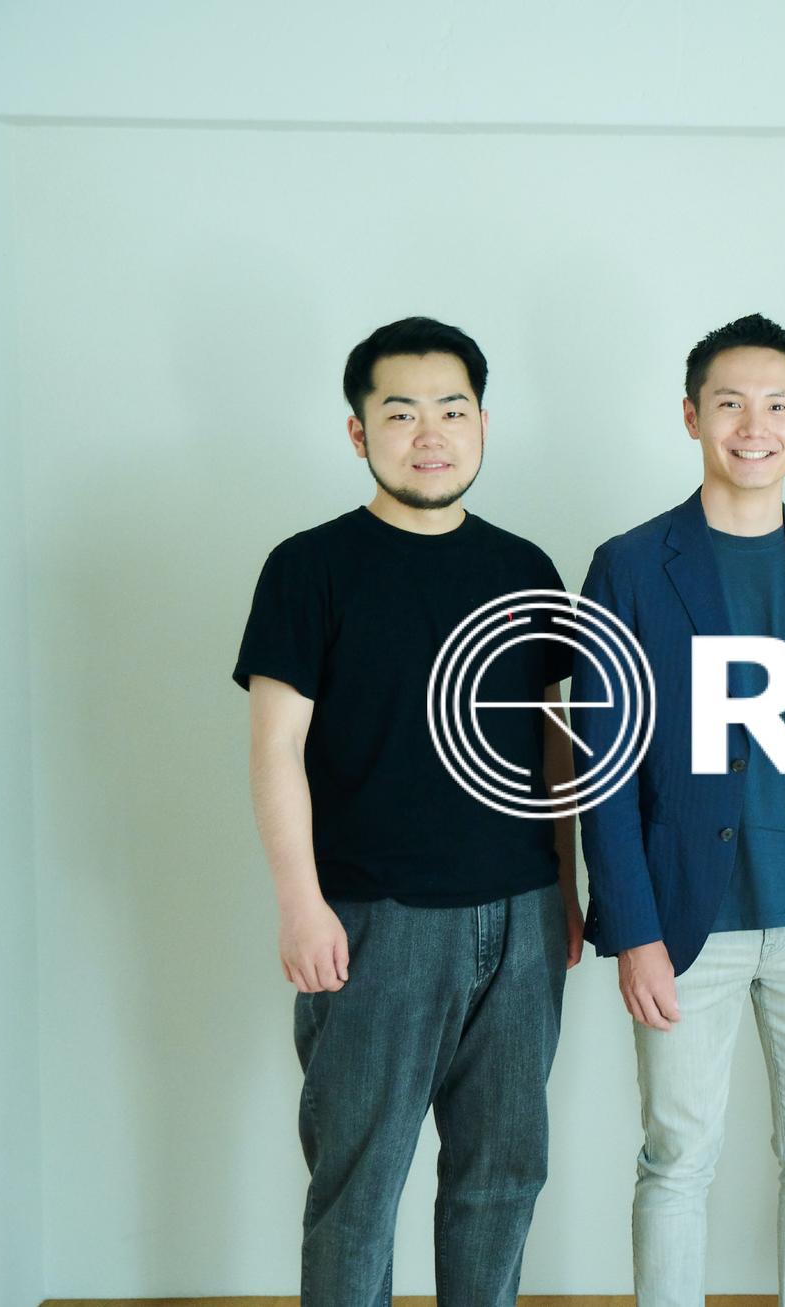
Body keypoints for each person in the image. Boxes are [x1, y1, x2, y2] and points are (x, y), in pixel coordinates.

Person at [234, 316, 581, 1306]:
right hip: (373, 920)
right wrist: (301, 905)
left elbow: (550, 738)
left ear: (482, 424)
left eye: (452, 410)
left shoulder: (524, 567)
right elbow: (274, 746)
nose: (430, 434)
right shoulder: (310, 566)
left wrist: (565, 888)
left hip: (521, 916)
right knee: (359, 1188)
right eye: (401, 413)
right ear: (359, 432)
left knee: (502, 1177)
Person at [573, 312, 785, 1307]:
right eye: (729, 404)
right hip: (686, 918)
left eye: (776, 405)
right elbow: (601, 765)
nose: (752, 426)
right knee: (678, 1155)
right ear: (691, 416)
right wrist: (631, 929)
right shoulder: (630, 566)